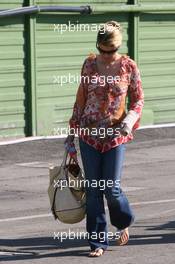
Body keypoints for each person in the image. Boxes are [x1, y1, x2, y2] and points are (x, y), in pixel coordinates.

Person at [64, 20, 144, 257]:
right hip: (89, 135)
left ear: (117, 48)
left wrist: (128, 122)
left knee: (112, 189)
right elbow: (81, 99)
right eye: (102, 51)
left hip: (115, 136)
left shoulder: (129, 66)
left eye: (111, 51)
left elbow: (138, 100)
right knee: (94, 190)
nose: (106, 56)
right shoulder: (89, 64)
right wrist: (71, 133)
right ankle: (98, 242)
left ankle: (123, 220)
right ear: (98, 46)